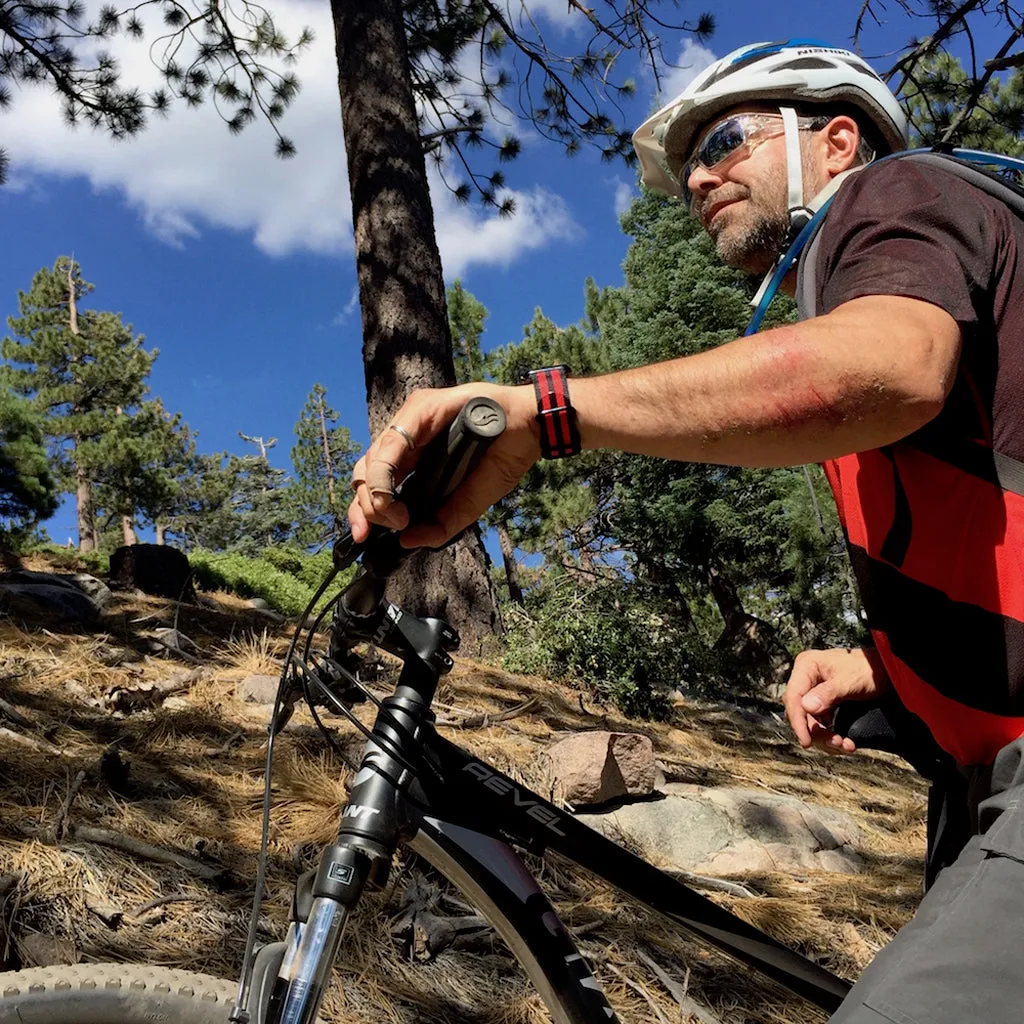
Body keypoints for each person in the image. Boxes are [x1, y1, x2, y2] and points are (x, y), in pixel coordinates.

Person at [349, 40, 1024, 1023]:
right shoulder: (876, 278)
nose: (700, 176)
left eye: (726, 139)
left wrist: (546, 413)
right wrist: (882, 666)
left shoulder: (895, 197)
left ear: (837, 142)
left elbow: (884, 368)